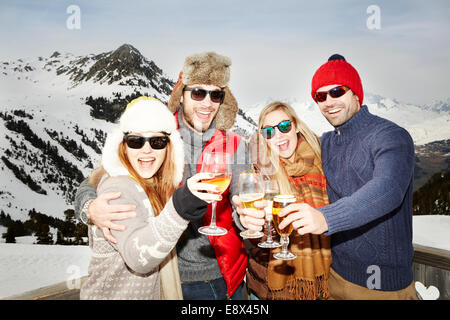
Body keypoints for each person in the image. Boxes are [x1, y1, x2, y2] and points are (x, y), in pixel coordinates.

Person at [75, 52, 250, 300]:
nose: (207, 103)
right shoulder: (158, 138)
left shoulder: (235, 145)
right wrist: (89, 207)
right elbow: (98, 177)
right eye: (198, 93)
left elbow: (242, 204)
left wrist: (249, 220)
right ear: (182, 94)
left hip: (226, 274)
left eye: (216, 94)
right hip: (171, 277)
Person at [276, 54, 418, 299]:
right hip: (335, 278)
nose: (329, 101)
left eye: (337, 91)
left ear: (356, 94)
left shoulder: (390, 135)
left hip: (382, 287)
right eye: (320, 96)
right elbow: (286, 155)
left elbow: (388, 188)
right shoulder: (327, 143)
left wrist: (326, 218)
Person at [80, 97, 220, 299]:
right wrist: (179, 209)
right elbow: (138, 258)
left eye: (157, 141)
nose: (147, 149)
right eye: (136, 141)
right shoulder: (118, 187)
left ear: (169, 147)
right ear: (123, 146)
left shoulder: (154, 183)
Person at [233, 101, 332, 300]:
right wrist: (245, 219)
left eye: (284, 126)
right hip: (268, 286)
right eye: (269, 132)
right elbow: (245, 214)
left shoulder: (322, 159)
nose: (278, 135)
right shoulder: (257, 167)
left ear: (295, 126)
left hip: (321, 279)